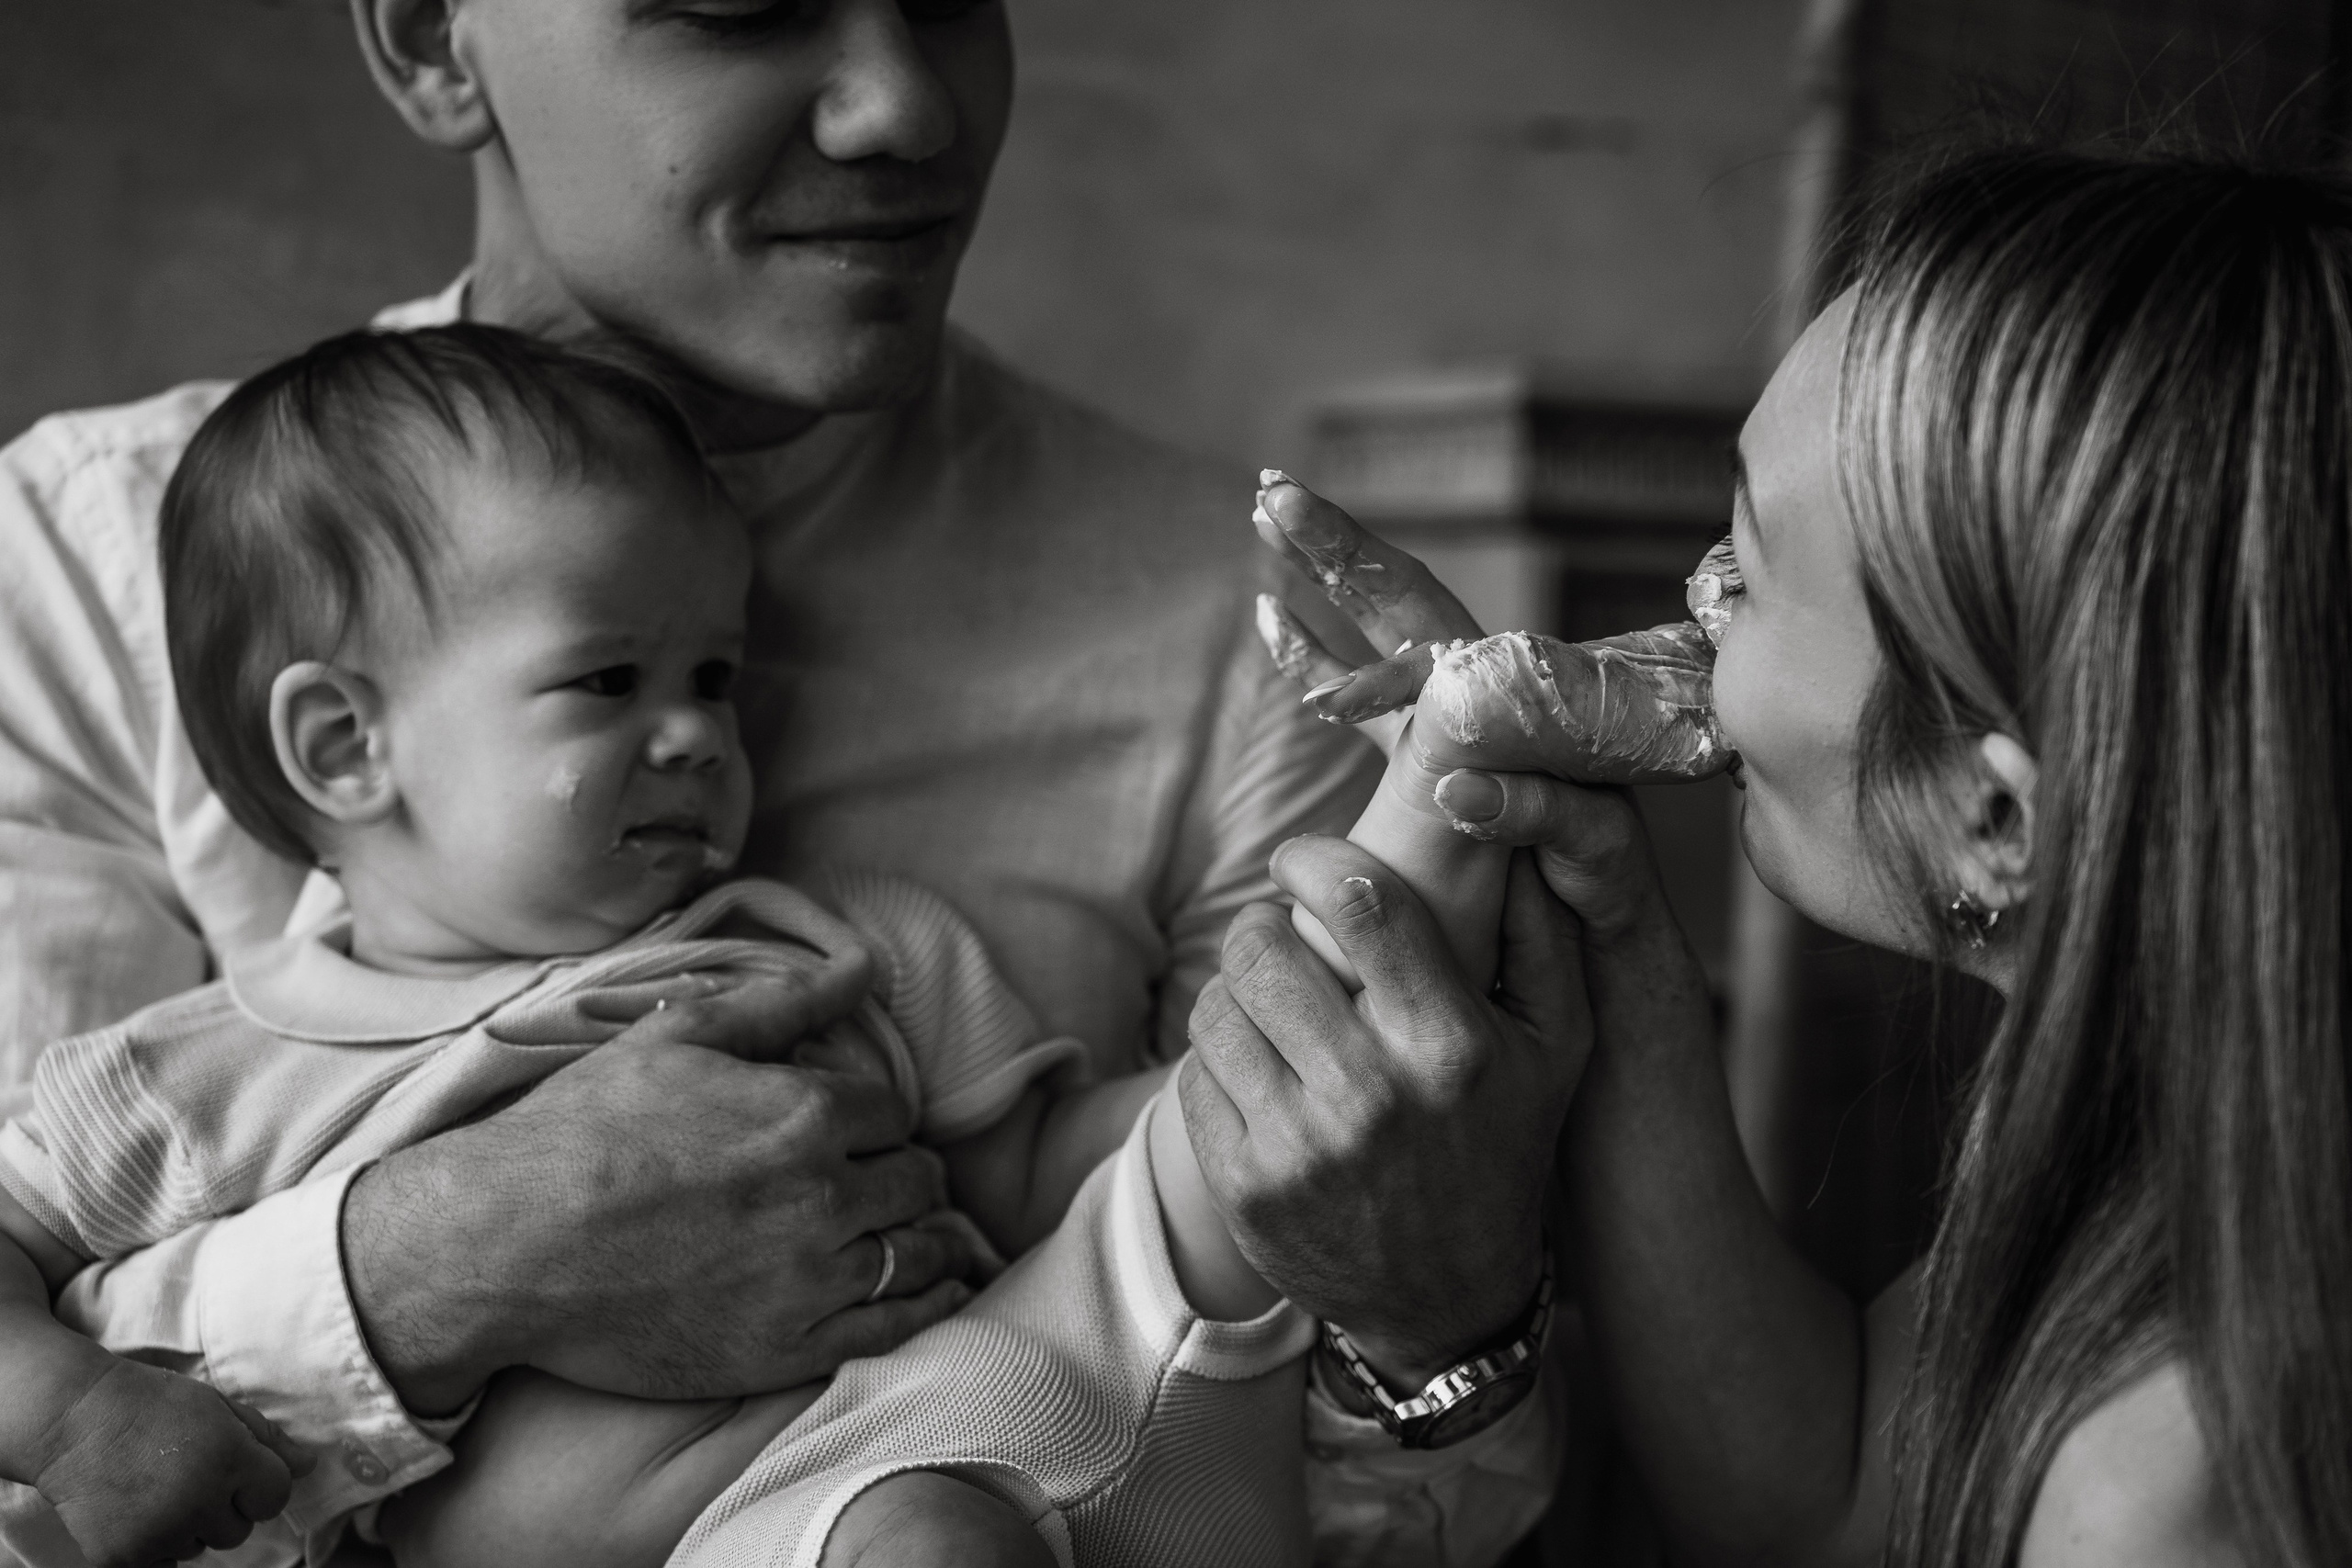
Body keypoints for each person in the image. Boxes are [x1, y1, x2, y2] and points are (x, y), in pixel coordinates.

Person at [0, 2, 1570, 1562]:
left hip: (888, 1482)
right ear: (428, 38)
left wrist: (1366, 1185)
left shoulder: (1237, 651)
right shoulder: (87, 586)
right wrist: (428, 1268)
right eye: (739, 4)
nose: (908, 109)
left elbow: (1216, 1280)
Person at [0, 321, 1376, 1568]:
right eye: (608, 679)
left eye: (713, 677)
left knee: (939, 1544)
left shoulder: (832, 950)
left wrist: (1254, 1074)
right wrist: (71, 1410)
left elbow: (1040, 1178)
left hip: (881, 1471)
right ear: (346, 745)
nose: (698, 736)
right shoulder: (201, 1077)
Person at [1202, 145, 2352, 1568]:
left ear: (2002, 824)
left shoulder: (2161, 1507)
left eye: (1746, 572)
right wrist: (1600, 908)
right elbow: (1827, 1489)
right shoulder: (2213, 1105)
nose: (1694, 602)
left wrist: (1443, 1342)